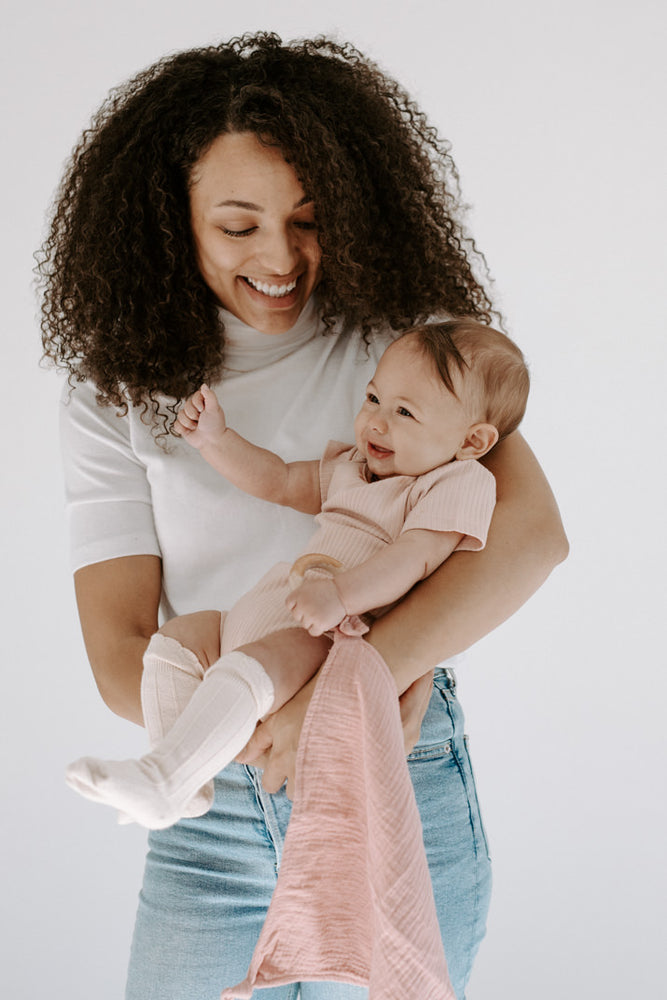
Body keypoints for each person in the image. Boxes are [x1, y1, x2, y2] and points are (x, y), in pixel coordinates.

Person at [39, 33, 568, 1000]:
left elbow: (531, 538)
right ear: (172, 222)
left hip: (389, 762)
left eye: (308, 219)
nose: (280, 258)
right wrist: (264, 715)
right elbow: (121, 652)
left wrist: (366, 680)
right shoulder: (113, 389)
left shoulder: (403, 348)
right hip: (209, 794)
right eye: (237, 226)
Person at [65, 319, 529, 831]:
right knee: (176, 644)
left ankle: (164, 778)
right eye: (373, 398)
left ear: (473, 440)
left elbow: (414, 558)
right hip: (279, 606)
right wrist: (217, 441)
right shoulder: (354, 468)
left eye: (404, 413)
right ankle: (184, 781)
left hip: (332, 635)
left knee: (254, 664)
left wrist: (342, 596)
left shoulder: (455, 482)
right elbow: (280, 480)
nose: (375, 422)